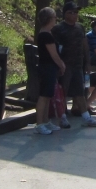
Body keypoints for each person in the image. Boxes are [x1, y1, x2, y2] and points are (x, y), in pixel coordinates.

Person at [52, 1, 96, 128]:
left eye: (76, 12)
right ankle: (62, 116)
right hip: (65, 65)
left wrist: (88, 62)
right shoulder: (58, 29)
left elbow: (85, 44)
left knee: (80, 92)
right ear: (65, 14)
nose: (74, 15)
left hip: (78, 65)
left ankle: (86, 117)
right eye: (71, 12)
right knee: (64, 91)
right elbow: (54, 48)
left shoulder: (80, 27)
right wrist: (58, 64)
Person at [33, 7, 66, 135]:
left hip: (49, 68)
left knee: (48, 96)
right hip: (47, 67)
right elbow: (54, 54)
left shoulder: (47, 33)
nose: (55, 19)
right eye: (53, 17)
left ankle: (46, 121)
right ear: (49, 19)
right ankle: (39, 123)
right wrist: (62, 65)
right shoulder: (45, 35)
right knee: (44, 96)